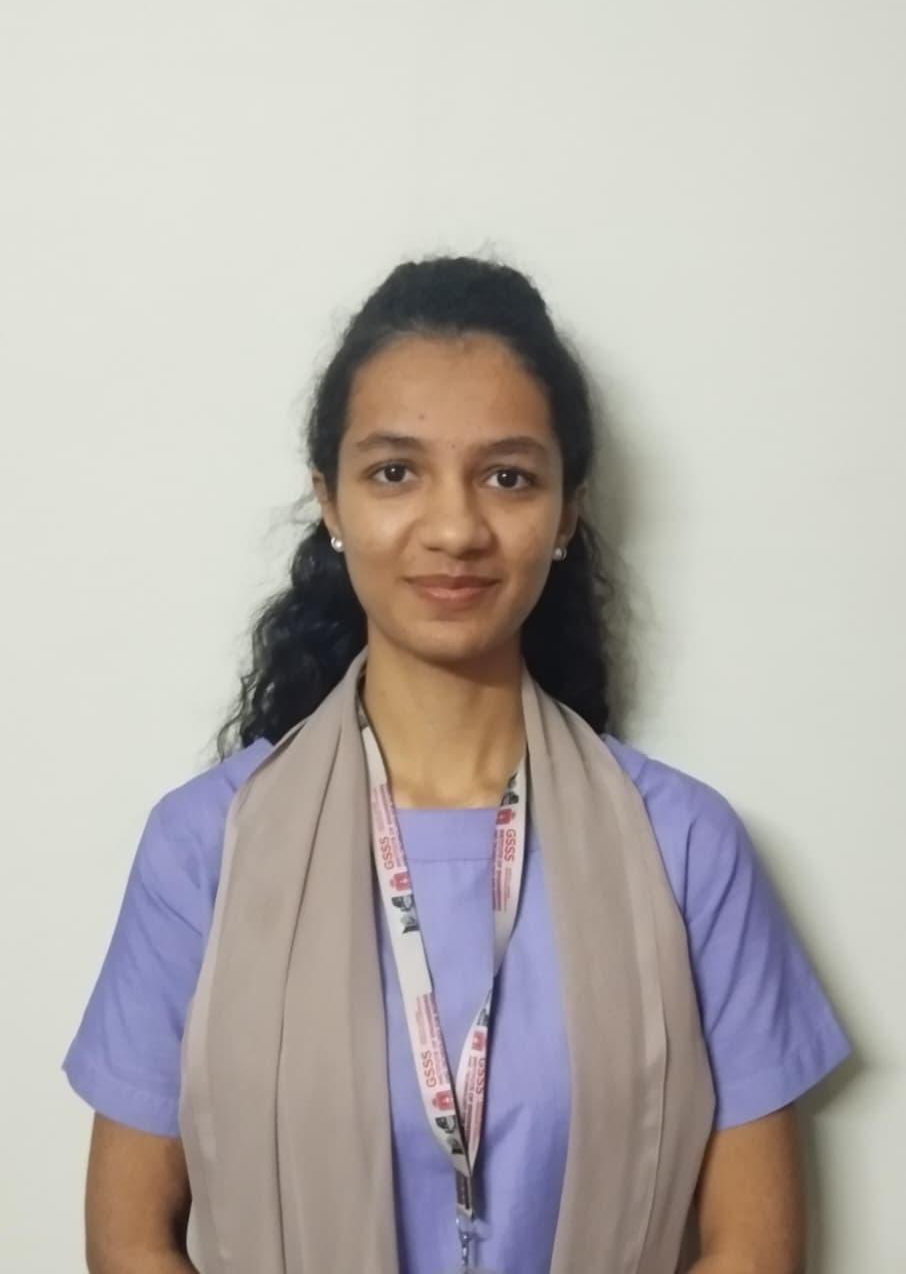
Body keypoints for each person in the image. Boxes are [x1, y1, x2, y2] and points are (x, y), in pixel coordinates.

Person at [62, 254, 852, 1274]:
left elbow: (753, 1248)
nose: (454, 529)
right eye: (395, 472)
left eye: (508, 476)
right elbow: (128, 1238)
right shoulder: (205, 846)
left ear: (566, 511)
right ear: (329, 502)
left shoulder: (686, 846)